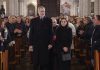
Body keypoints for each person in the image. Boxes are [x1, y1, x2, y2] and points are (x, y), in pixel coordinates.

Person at [29, 6, 53, 70]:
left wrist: (51, 43)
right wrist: (30, 44)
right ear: (38, 12)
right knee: (35, 61)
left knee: (44, 62)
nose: (43, 12)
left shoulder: (49, 20)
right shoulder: (33, 20)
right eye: (41, 11)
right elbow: (31, 33)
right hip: (36, 44)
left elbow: (51, 33)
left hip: (45, 44)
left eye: (44, 11)